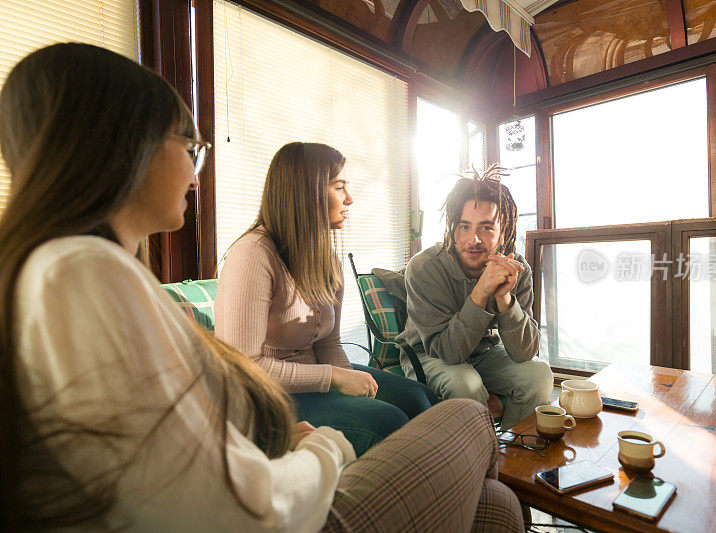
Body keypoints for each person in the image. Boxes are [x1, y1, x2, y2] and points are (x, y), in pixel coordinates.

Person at [0, 43, 523, 531]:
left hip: (267, 462)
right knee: (466, 415)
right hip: (280, 507)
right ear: (124, 145)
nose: (195, 175)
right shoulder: (84, 274)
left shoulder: (90, 272)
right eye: (189, 147)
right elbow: (229, 499)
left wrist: (298, 416)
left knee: (493, 503)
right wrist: (325, 450)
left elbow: (186, 435)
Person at [215, 142, 437, 456]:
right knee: (389, 421)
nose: (350, 198)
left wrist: (353, 388)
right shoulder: (253, 253)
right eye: (340, 187)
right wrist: (334, 378)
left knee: (421, 399)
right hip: (263, 397)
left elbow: (327, 344)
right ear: (306, 192)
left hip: (314, 384)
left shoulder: (327, 259)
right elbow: (244, 366)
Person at [397, 166, 554, 429]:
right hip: (429, 354)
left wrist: (505, 300)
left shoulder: (516, 268)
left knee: (539, 375)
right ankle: (479, 459)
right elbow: (448, 352)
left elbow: (525, 351)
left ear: (504, 230)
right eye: (463, 226)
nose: (474, 239)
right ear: (450, 227)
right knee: (465, 383)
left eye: (487, 228)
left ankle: (512, 455)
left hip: (485, 352)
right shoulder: (425, 268)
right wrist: (481, 290)